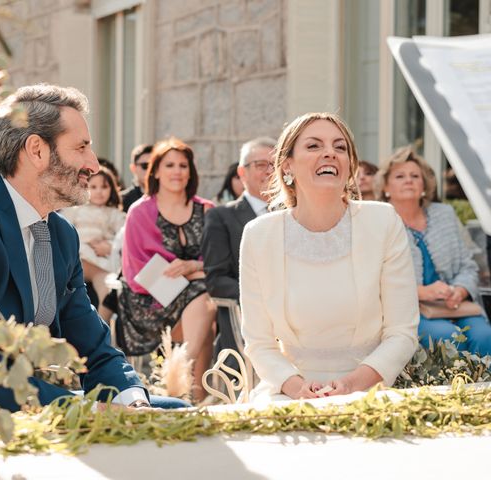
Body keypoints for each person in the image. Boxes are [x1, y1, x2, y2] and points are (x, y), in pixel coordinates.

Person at [0, 84, 187, 415]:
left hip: (31, 402)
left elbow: (94, 346)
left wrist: (134, 403)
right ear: (37, 151)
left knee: (173, 410)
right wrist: (92, 411)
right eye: (81, 147)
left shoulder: (60, 234)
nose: (94, 165)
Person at [240, 112, 419, 401]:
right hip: (288, 393)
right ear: (287, 165)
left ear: (350, 166)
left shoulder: (383, 221)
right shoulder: (259, 235)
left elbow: (402, 331)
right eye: (314, 146)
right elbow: (259, 343)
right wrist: (297, 387)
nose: (329, 153)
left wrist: (352, 384)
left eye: (340, 147)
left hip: (370, 390)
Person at [119, 137, 216, 401]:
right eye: (169, 165)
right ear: (156, 171)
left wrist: (194, 267)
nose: (177, 171)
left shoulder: (207, 210)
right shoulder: (140, 212)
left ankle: (183, 380)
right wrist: (194, 272)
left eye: (183, 165)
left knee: (205, 296)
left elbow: (219, 262)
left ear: (191, 171)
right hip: (148, 300)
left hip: (199, 298)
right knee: (205, 297)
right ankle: (190, 387)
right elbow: (136, 272)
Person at [378, 147, 491, 356]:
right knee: (446, 338)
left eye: (415, 176)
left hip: (454, 302)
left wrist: (460, 289)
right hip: (408, 309)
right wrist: (421, 292)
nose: (408, 180)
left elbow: (468, 264)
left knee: (485, 336)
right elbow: (375, 278)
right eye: (400, 176)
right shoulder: (379, 222)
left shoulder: (445, 214)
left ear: (424, 185)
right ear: (386, 186)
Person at [202, 137, 276, 367]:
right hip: (246, 321)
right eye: (261, 165)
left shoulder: (296, 214)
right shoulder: (221, 217)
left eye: (275, 164)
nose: (270, 171)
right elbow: (216, 280)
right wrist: (266, 296)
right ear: (242, 172)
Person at [60, 167, 125, 320]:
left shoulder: (115, 214)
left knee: (108, 291)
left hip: (101, 262)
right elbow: (63, 230)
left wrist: (109, 246)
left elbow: (124, 237)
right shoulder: (75, 210)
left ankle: (102, 325)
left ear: (113, 188)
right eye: (93, 187)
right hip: (79, 258)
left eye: (104, 187)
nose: (99, 191)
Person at [121, 144, 153, 212]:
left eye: (153, 166)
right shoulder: (122, 200)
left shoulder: (171, 196)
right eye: (145, 166)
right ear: (133, 168)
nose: (150, 170)